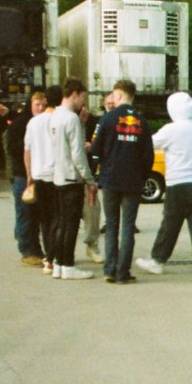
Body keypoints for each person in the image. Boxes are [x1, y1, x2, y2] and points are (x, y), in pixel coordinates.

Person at [136, 91, 192, 278]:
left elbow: (148, 143)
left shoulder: (171, 129)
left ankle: (157, 260)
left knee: (170, 224)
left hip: (177, 183)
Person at [90, 79, 154, 284]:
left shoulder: (108, 119)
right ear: (132, 97)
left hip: (110, 180)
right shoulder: (142, 122)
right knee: (128, 226)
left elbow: (95, 149)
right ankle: (123, 272)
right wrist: (141, 177)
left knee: (111, 225)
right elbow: (149, 157)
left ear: (117, 95)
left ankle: (109, 269)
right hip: (133, 181)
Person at [48, 77, 97, 280]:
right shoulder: (71, 118)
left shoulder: (55, 116)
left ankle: (59, 263)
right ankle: (68, 264)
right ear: (75, 93)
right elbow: (78, 153)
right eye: (82, 97)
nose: (83, 103)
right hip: (72, 179)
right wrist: (89, 179)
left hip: (59, 176)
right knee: (71, 224)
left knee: (61, 222)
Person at [23, 87, 59, 274]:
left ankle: (49, 259)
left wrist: (29, 174)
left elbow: (27, 150)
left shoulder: (33, 123)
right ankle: (57, 256)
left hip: (38, 175)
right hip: (57, 175)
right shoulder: (60, 120)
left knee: (45, 219)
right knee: (59, 218)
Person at [6, 94, 44, 265]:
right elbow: (12, 148)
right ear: (30, 105)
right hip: (22, 175)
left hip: (41, 174)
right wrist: (31, 144)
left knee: (37, 215)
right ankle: (27, 250)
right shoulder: (19, 124)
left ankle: (36, 249)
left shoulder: (45, 123)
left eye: (44, 104)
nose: (41, 108)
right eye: (37, 104)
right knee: (25, 213)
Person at [78, 95, 104, 264]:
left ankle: (92, 246)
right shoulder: (67, 120)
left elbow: (100, 141)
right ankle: (59, 252)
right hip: (69, 176)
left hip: (88, 174)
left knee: (93, 210)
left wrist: (92, 146)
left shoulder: (94, 121)